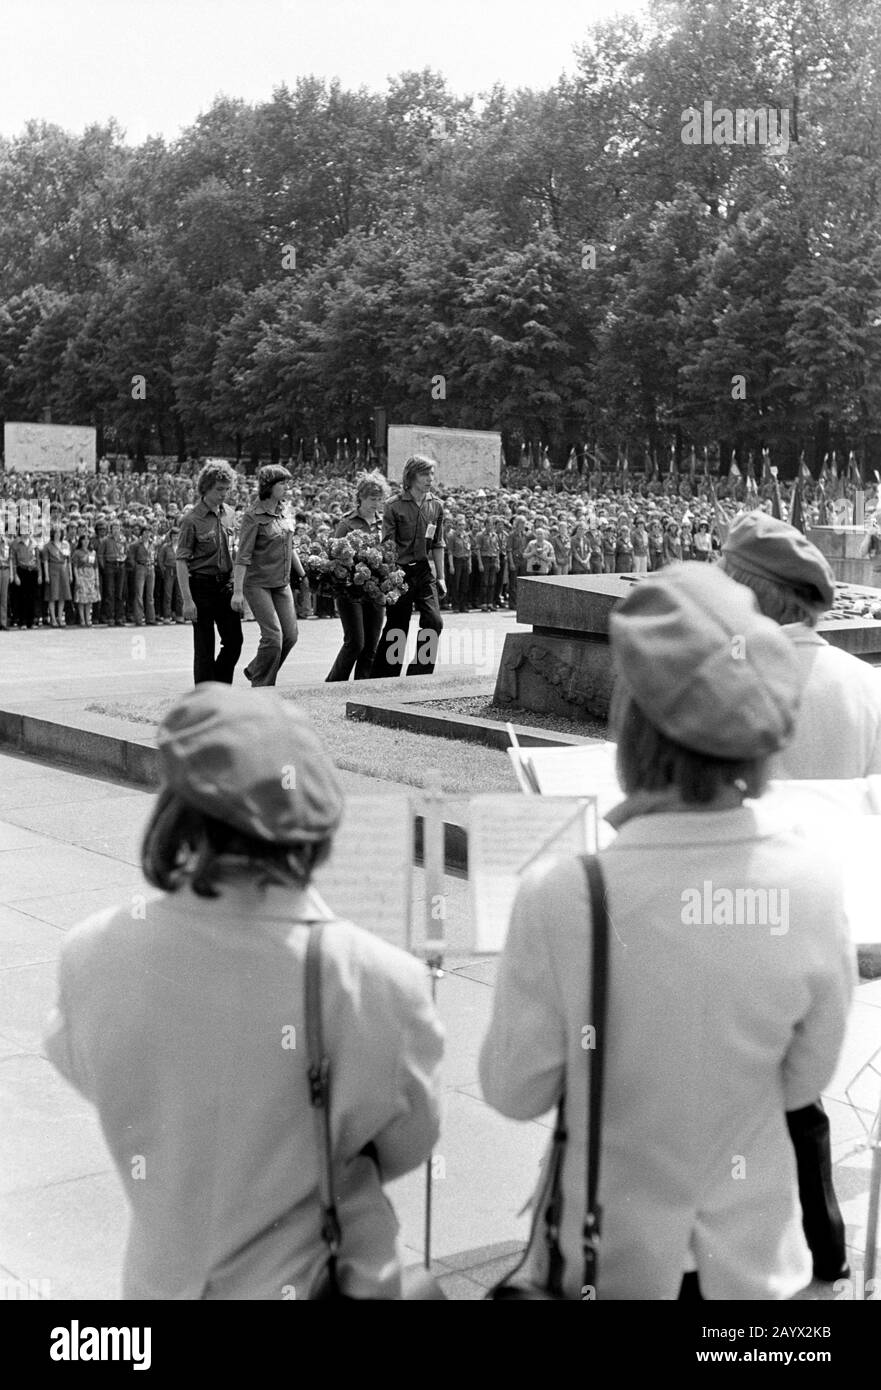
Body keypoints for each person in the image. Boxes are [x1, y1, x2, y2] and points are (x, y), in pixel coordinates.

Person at [480, 563, 854, 1300]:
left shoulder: (562, 893)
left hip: (609, 1258)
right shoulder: (812, 885)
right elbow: (804, 1082)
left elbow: (514, 1091)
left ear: (630, 720)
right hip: (750, 1269)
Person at [44, 684, 444, 1299]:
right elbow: (407, 1144)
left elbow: (95, 1074)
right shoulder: (379, 979)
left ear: (176, 807)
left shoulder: (90, 950)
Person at [372, 456, 446, 678]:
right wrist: (390, 578)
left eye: (432, 474)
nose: (430, 479)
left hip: (423, 571)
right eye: (425, 474)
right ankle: (384, 677)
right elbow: (388, 545)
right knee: (397, 626)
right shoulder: (394, 505)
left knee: (434, 622)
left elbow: (438, 543)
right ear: (412, 476)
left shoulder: (437, 505)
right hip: (399, 570)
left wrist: (441, 577)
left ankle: (419, 674)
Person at [233, 465, 303, 688]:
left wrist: (303, 574)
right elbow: (242, 556)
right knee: (273, 638)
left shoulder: (285, 511)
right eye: (282, 483)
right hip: (257, 584)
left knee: (290, 636)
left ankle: (256, 668)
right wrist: (237, 592)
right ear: (269, 486)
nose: (286, 488)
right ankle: (262, 686)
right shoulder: (252, 516)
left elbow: (290, 546)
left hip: (281, 583)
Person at [176, 460, 243, 685]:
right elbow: (181, 561)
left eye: (226, 489)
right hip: (201, 587)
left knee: (234, 641)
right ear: (205, 488)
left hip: (226, 585)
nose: (223, 494)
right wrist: (187, 600)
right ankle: (206, 696)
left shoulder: (230, 514)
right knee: (204, 646)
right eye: (219, 489)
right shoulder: (191, 520)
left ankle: (219, 687)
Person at [326, 470, 389, 681]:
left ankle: (363, 686)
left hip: (376, 590)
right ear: (360, 497)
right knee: (355, 642)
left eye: (380, 499)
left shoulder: (385, 523)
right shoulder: (347, 523)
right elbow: (333, 557)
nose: (376, 503)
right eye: (372, 499)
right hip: (350, 590)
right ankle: (334, 683)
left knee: (372, 643)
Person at [42, 526, 72, 627]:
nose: (58, 534)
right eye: (56, 532)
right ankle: (53, 619)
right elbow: (45, 561)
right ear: (52, 534)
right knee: (52, 596)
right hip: (52, 570)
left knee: (62, 595)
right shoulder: (48, 546)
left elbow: (68, 561)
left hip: (63, 570)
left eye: (59, 532)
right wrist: (46, 575)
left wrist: (70, 574)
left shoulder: (66, 544)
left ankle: (60, 618)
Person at [71, 536, 100, 627]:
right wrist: (77, 578)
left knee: (89, 600)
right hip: (81, 575)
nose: (86, 541)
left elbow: (96, 567)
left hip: (91, 576)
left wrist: (97, 579)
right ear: (81, 541)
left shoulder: (93, 552)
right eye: (84, 540)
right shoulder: (77, 552)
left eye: (87, 540)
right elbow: (75, 567)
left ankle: (88, 619)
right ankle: (82, 619)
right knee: (81, 599)